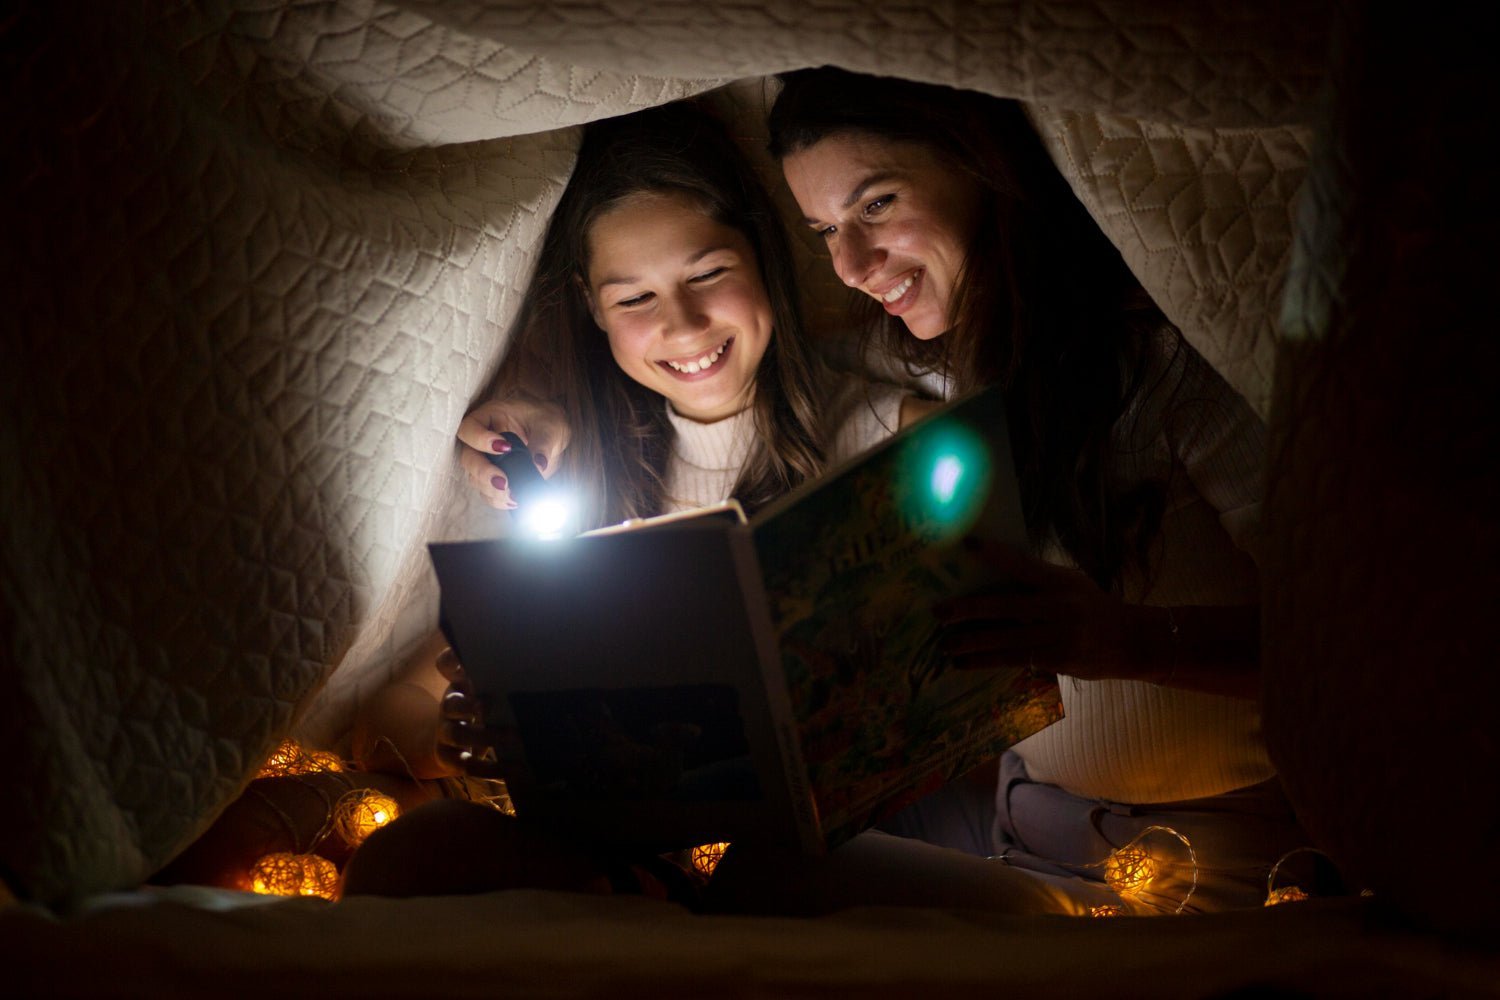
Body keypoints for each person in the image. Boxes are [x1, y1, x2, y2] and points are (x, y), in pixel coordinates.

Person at [337, 98, 971, 902]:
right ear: (592, 309)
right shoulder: (581, 490)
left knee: (769, 875)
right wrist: (448, 734)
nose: (684, 323)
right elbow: (390, 709)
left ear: (763, 256)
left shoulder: (893, 441)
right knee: (409, 855)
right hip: (638, 866)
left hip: (834, 851)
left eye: (708, 274)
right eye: (634, 299)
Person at [742, 66, 1318, 914]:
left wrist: (1128, 642)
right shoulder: (942, 361)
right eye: (825, 228)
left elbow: (1359, 651)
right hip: (1015, 818)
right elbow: (782, 376)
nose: (851, 265)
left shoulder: (1164, 366)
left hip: (1206, 853)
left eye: (875, 206)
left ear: (977, 165)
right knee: (742, 859)